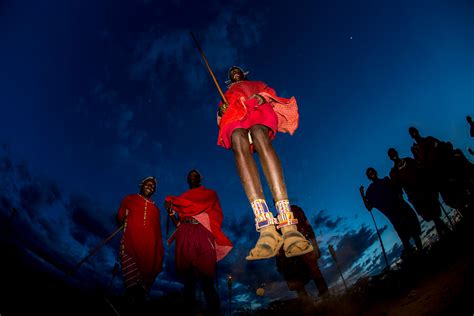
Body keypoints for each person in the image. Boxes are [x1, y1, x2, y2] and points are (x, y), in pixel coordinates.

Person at [215, 66, 312, 261]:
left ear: (244, 74)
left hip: (257, 109)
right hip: (235, 115)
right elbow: (220, 116)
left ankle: (288, 225)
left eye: (238, 70)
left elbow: (268, 92)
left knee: (260, 134)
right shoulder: (227, 92)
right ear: (229, 79)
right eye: (231, 72)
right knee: (237, 139)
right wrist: (221, 110)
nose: (235, 72)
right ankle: (266, 227)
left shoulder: (255, 83)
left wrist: (261, 97)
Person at [165, 169, 233, 316]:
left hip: (202, 231)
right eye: (190, 175)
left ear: (200, 179)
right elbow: (178, 223)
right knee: (189, 280)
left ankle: (214, 313)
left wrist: (176, 203)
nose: (193, 176)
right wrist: (171, 213)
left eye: (195, 175)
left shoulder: (209, 194)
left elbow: (214, 213)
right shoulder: (182, 198)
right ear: (187, 180)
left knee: (206, 278)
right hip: (185, 232)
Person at [116, 176, 164, 314]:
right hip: (130, 246)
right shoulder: (130, 199)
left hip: (149, 252)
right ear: (141, 185)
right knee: (131, 287)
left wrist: (158, 252)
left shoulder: (156, 209)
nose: (151, 186)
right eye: (148, 184)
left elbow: (157, 232)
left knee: (141, 293)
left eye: (153, 186)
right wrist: (123, 217)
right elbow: (119, 218)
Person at [388, 147, 449, 239]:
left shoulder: (408, 160)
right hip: (415, 197)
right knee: (430, 215)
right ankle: (445, 232)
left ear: (397, 152)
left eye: (394, 153)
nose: (393, 155)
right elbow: (398, 188)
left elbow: (421, 170)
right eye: (391, 155)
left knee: (435, 213)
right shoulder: (393, 172)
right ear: (390, 158)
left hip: (425, 190)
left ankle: (444, 234)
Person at [360, 168, 423, 256]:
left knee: (415, 232)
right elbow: (369, 207)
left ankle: (422, 252)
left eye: (372, 171)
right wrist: (362, 195)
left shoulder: (386, 180)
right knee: (404, 238)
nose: (372, 174)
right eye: (369, 173)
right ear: (368, 177)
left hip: (404, 209)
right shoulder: (371, 191)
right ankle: (414, 257)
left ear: (376, 172)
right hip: (394, 216)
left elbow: (399, 191)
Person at [275, 205, 329, 298]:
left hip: (304, 249)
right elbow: (277, 242)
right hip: (290, 256)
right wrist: (279, 261)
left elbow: (309, 228)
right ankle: (308, 306)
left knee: (316, 273)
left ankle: (328, 300)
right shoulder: (276, 221)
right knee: (297, 283)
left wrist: (315, 246)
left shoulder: (296, 210)